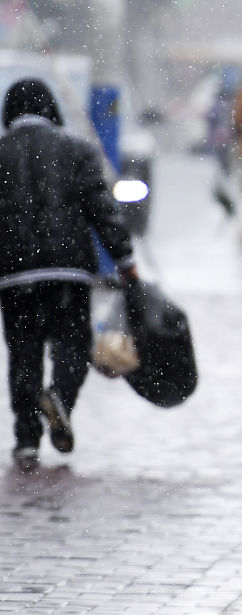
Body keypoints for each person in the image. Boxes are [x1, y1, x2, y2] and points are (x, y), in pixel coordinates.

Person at [0, 78, 136, 470]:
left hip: (15, 275)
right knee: (72, 346)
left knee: (23, 355)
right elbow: (102, 210)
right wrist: (125, 259)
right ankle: (60, 396)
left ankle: (26, 440)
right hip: (68, 271)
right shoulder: (77, 150)